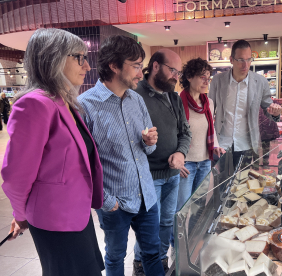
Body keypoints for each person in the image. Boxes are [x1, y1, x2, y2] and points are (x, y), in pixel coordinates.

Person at [1, 28, 104, 276]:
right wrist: (20, 214)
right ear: (54, 58)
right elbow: (16, 175)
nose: (87, 66)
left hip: (76, 213)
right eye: (79, 57)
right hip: (56, 219)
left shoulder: (64, 101)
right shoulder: (35, 103)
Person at [78, 35, 164, 276]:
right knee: (115, 257)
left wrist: (149, 142)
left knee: (152, 252)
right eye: (136, 66)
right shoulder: (84, 106)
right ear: (114, 66)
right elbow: (82, 166)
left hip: (146, 195)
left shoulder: (136, 99)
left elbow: (149, 149)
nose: (141, 73)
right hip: (115, 202)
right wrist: (107, 202)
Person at [133, 49, 192, 275]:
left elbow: (185, 133)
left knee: (167, 222)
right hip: (148, 176)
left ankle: (160, 261)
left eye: (178, 72)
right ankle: (141, 264)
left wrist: (181, 154)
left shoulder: (173, 97)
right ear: (155, 66)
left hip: (172, 174)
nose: (176, 76)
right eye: (172, 70)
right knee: (149, 227)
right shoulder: (135, 95)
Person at [172, 58, 226, 246]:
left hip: (204, 162)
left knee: (199, 206)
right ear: (188, 77)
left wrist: (216, 145)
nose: (206, 81)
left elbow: (210, 130)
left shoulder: (208, 102)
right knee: (182, 208)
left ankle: (192, 242)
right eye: (202, 77)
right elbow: (173, 136)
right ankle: (177, 247)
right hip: (186, 164)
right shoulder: (177, 101)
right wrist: (176, 163)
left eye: (208, 78)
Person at [209, 40, 282, 170]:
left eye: (249, 60)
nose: (245, 65)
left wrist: (275, 113)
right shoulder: (218, 80)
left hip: (247, 145)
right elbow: (209, 110)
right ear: (231, 59)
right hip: (221, 144)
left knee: (242, 186)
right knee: (219, 186)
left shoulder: (260, 82)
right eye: (241, 60)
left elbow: (268, 107)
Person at [253, 101, 280, 170]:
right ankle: (256, 164)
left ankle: (265, 163)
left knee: (265, 148)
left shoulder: (268, 102)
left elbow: (274, 116)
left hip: (267, 129)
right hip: (256, 129)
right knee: (255, 147)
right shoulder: (253, 102)